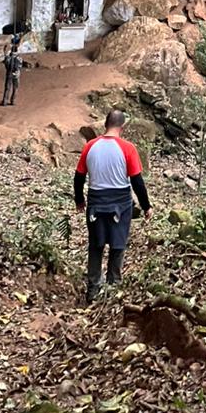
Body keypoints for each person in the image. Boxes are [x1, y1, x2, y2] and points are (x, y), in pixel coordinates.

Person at [74, 109, 151, 304]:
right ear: (122, 127)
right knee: (118, 244)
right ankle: (113, 285)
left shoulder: (90, 146)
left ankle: (93, 289)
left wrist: (79, 200)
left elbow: (79, 177)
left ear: (105, 125)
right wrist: (146, 206)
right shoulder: (127, 148)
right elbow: (137, 181)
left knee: (96, 245)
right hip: (120, 202)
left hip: (96, 200)